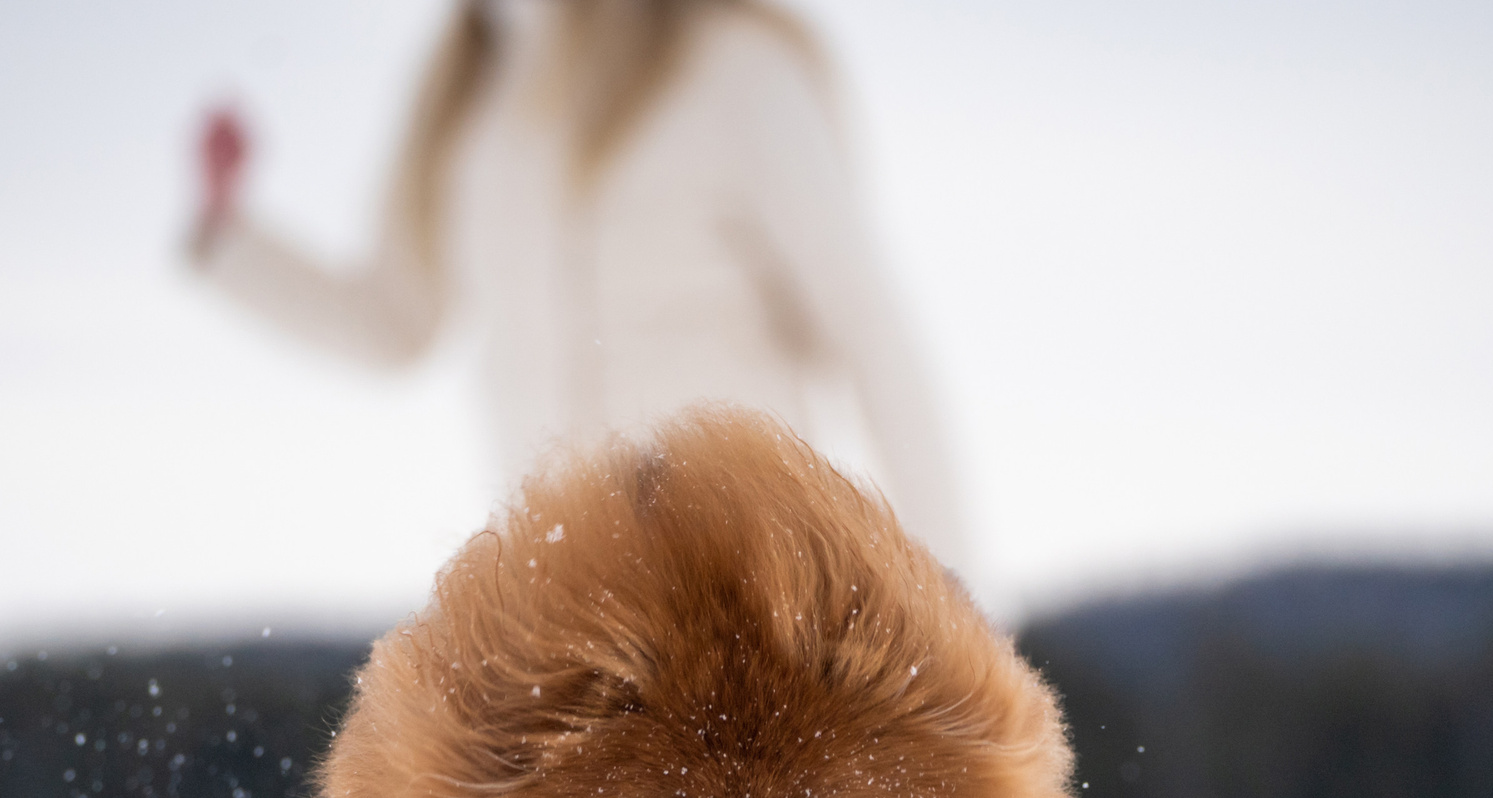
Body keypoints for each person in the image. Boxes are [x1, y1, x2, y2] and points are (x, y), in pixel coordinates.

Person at [186, 0, 968, 566]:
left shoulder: (733, 69)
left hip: (748, 574)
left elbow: (870, 334)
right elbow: (396, 322)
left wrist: (957, 603)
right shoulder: (468, 106)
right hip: (564, 594)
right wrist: (231, 236)